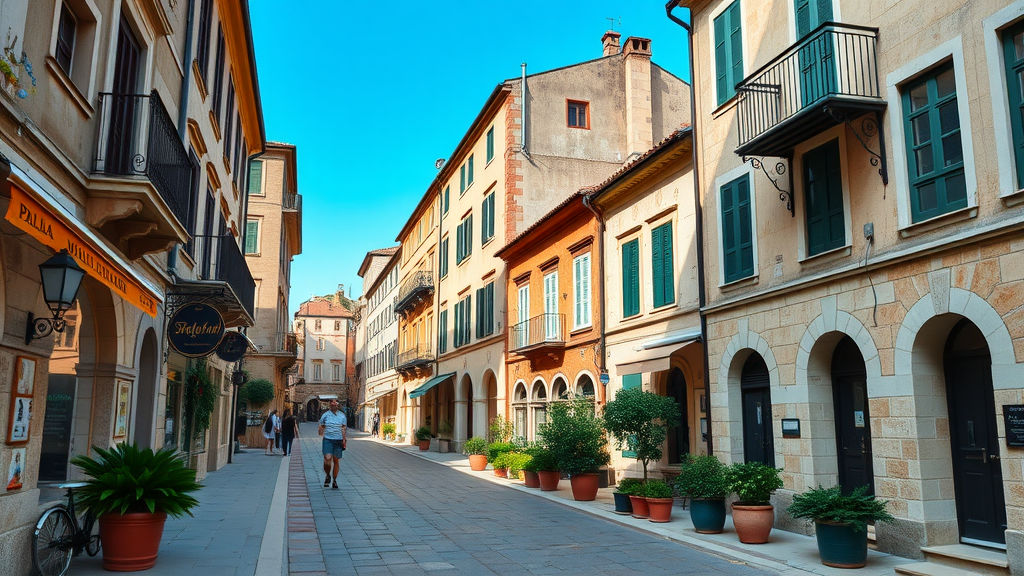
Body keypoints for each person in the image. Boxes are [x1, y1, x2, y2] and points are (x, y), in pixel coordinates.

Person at [318, 399, 347, 489]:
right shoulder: (325, 415)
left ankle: (334, 480)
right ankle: (327, 475)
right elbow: (321, 426)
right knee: (327, 458)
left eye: (335, 403)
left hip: (338, 440)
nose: (333, 404)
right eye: (332, 403)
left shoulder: (342, 416)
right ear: (330, 405)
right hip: (328, 440)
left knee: (336, 460)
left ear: (338, 405)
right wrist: (320, 432)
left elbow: (343, 428)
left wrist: (344, 439)